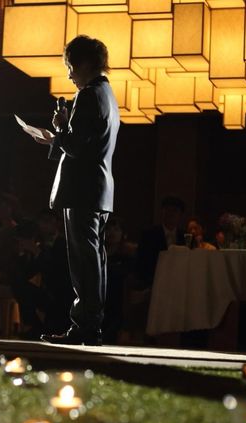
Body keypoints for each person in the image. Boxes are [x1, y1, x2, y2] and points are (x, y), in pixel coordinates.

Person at [30, 35, 120, 346]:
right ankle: (90, 325)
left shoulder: (89, 95)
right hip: (98, 189)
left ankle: (85, 326)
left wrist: (59, 129)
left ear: (84, 64)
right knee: (95, 260)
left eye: (70, 66)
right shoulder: (107, 94)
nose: (69, 74)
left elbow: (76, 146)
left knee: (84, 262)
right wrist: (64, 131)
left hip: (82, 189)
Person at [135, 196, 186, 288]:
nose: (171, 214)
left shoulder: (185, 237)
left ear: (180, 215)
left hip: (180, 283)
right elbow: (142, 262)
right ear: (162, 212)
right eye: (167, 210)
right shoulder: (149, 234)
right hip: (153, 282)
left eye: (175, 211)